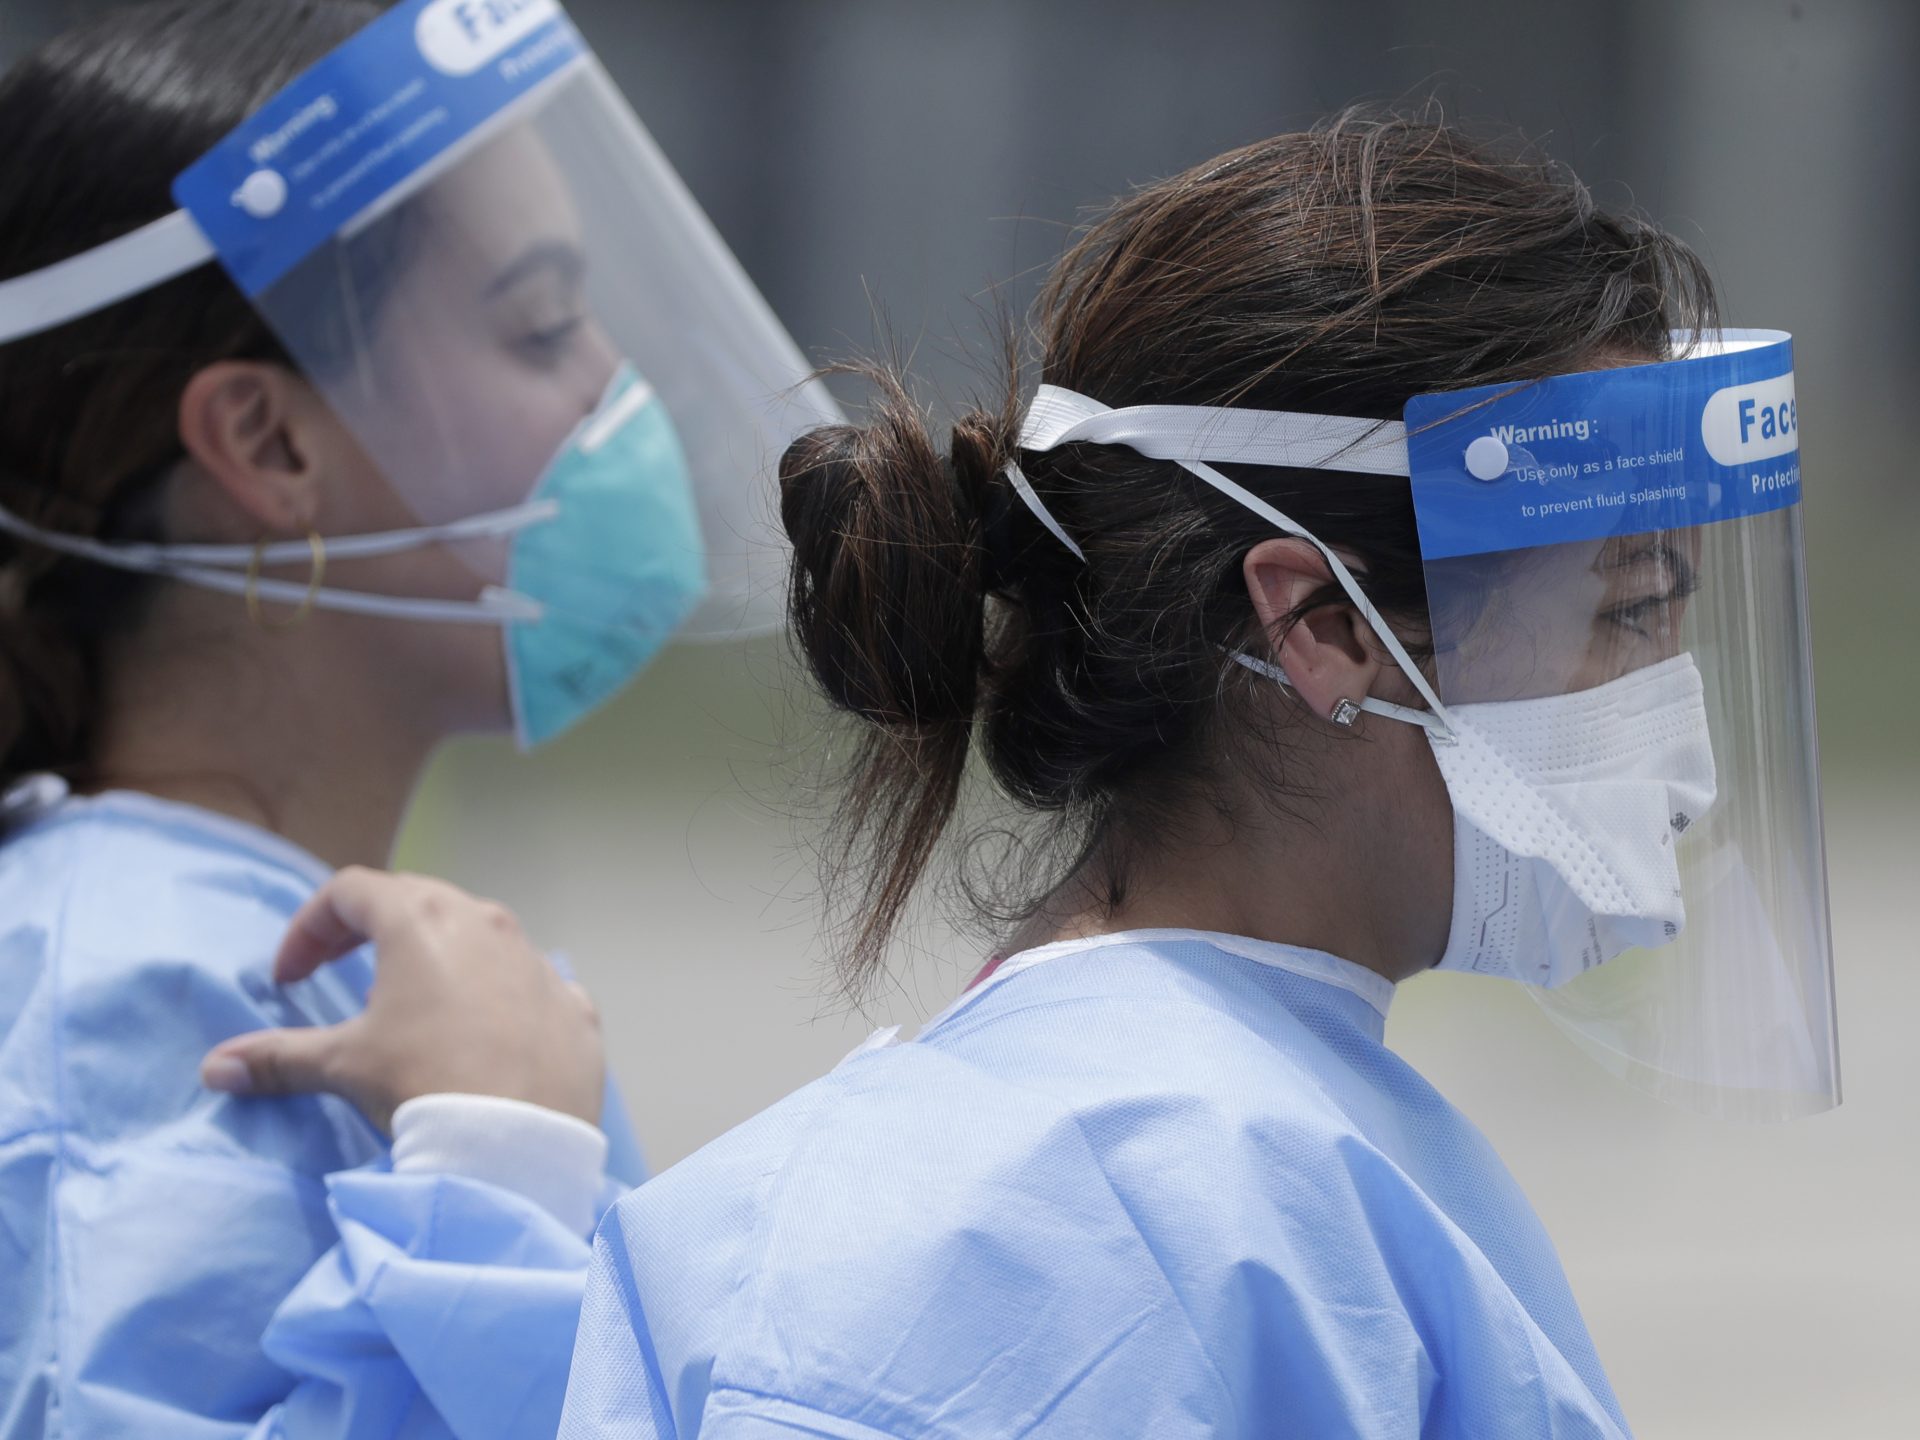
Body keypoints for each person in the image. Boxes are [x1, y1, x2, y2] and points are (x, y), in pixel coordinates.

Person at [210, 112, 1841, 1437]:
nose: (1674, 729)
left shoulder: (1201, 1131)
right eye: (1625, 612)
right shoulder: (1116, 1211)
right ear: (1321, 626)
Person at [0, 1, 834, 1435]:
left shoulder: (237, 946)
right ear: (272, 444)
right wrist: (492, 1186)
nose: (610, 392)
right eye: (540, 324)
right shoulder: (137, 999)